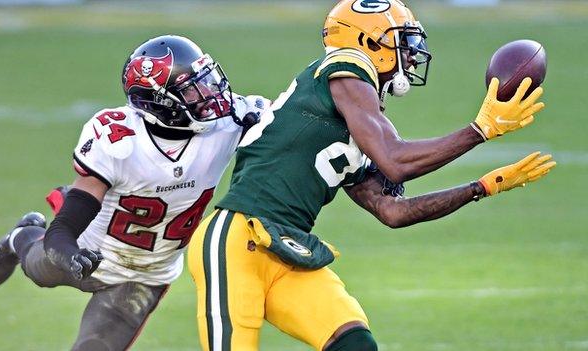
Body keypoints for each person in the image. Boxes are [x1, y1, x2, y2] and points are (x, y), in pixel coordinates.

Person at [187, 1, 555, 350]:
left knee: (354, 343)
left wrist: (483, 187)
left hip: (286, 246)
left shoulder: (350, 120)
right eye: (402, 42)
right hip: (236, 241)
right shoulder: (345, 70)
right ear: (368, 41)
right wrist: (479, 130)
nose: (410, 55)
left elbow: (393, 211)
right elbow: (395, 160)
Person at [0, 35, 267, 351]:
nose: (210, 95)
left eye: (205, 81)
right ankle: (20, 237)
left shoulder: (235, 118)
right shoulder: (119, 140)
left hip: (145, 277)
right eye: (191, 89)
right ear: (161, 102)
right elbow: (63, 231)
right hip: (90, 248)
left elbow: (298, 120)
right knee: (39, 270)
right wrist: (70, 253)